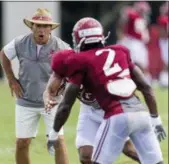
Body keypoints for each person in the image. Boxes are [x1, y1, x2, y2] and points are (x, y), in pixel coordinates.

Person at [46, 17, 166, 164]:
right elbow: (145, 87)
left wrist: (54, 132)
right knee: (86, 156)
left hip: (114, 113)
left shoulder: (78, 61)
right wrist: (155, 119)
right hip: (129, 111)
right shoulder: (120, 51)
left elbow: (66, 105)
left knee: (113, 156)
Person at [0, 8, 70, 164]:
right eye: (37, 26)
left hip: (53, 103)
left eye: (45, 26)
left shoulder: (62, 47)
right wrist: (11, 78)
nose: (41, 30)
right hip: (25, 100)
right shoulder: (19, 43)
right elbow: (4, 54)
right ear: (31, 27)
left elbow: (74, 67)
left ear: (51, 28)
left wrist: (67, 85)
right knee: (22, 143)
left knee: (58, 141)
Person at [44, 78, 140, 164]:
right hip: (89, 108)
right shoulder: (62, 67)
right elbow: (50, 90)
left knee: (128, 150)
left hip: (110, 106)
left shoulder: (93, 62)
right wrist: (47, 99)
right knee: (86, 156)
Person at [116, 2, 151, 83]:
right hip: (134, 42)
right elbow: (123, 23)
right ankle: (142, 79)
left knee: (142, 62)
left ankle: (145, 79)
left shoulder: (139, 17)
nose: (145, 13)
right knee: (136, 61)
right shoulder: (133, 15)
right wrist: (122, 34)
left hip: (139, 42)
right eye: (144, 11)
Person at [157, 2, 168, 88]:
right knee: (166, 61)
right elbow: (162, 32)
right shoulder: (163, 18)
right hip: (165, 41)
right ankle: (163, 80)